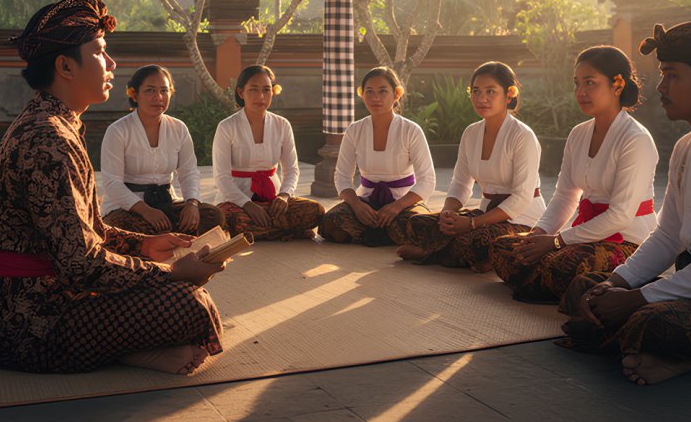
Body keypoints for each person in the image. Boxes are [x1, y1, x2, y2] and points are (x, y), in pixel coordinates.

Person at [0, 0, 224, 375]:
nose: (112, 63)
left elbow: (86, 230)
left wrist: (144, 245)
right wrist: (170, 272)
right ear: (65, 67)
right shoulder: (47, 138)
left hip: (43, 292)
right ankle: (121, 350)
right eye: (101, 52)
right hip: (23, 319)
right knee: (189, 304)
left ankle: (124, 350)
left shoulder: (58, 123)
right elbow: (81, 265)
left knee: (181, 288)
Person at [559, 22, 691, 386]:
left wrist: (638, 298)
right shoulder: (686, 146)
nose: (660, 87)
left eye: (671, 75)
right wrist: (619, 282)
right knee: (587, 287)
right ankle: (659, 349)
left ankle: (675, 354)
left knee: (650, 320)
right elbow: (668, 235)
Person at [489, 46, 659, 302]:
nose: (580, 92)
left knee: (561, 265)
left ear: (618, 85)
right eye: (577, 83)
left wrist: (557, 242)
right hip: (582, 234)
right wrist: (539, 234)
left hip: (627, 240)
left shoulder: (635, 139)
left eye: (590, 83)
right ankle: (548, 285)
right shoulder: (578, 134)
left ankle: (549, 282)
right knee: (504, 248)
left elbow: (621, 215)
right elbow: (565, 196)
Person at [393, 62, 545, 271]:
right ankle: (468, 256)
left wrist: (473, 224)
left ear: (509, 95)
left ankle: (433, 252)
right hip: (484, 214)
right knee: (417, 223)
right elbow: (460, 184)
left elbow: (521, 198)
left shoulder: (522, 136)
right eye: (476, 91)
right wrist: (447, 213)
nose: (482, 98)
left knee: (474, 240)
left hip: (522, 217)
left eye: (491, 91)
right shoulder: (471, 133)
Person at [100, 64, 226, 237]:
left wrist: (192, 204)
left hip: (167, 202)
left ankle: (170, 240)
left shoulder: (178, 128)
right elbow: (112, 184)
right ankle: (173, 242)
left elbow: (189, 172)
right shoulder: (118, 130)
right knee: (131, 230)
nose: (158, 97)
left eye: (164, 91)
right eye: (150, 91)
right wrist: (145, 211)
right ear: (134, 94)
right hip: (127, 207)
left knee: (213, 216)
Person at [320, 67, 436, 245]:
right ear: (362, 94)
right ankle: (385, 233)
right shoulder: (354, 130)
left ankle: (375, 232)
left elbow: (427, 180)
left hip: (404, 202)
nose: (375, 98)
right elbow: (342, 176)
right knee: (330, 223)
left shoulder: (411, 130)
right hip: (366, 201)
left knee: (422, 226)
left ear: (396, 94)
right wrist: (357, 206)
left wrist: (396, 207)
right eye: (369, 92)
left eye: (383, 91)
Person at [212, 64, 324, 240]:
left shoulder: (282, 125)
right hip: (236, 200)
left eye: (266, 90)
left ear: (273, 92)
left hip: (273, 198)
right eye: (253, 90)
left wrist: (284, 196)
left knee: (315, 211)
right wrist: (247, 204)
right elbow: (222, 177)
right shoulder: (227, 126)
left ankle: (265, 231)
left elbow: (292, 170)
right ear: (241, 93)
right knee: (229, 218)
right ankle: (287, 230)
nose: (261, 96)